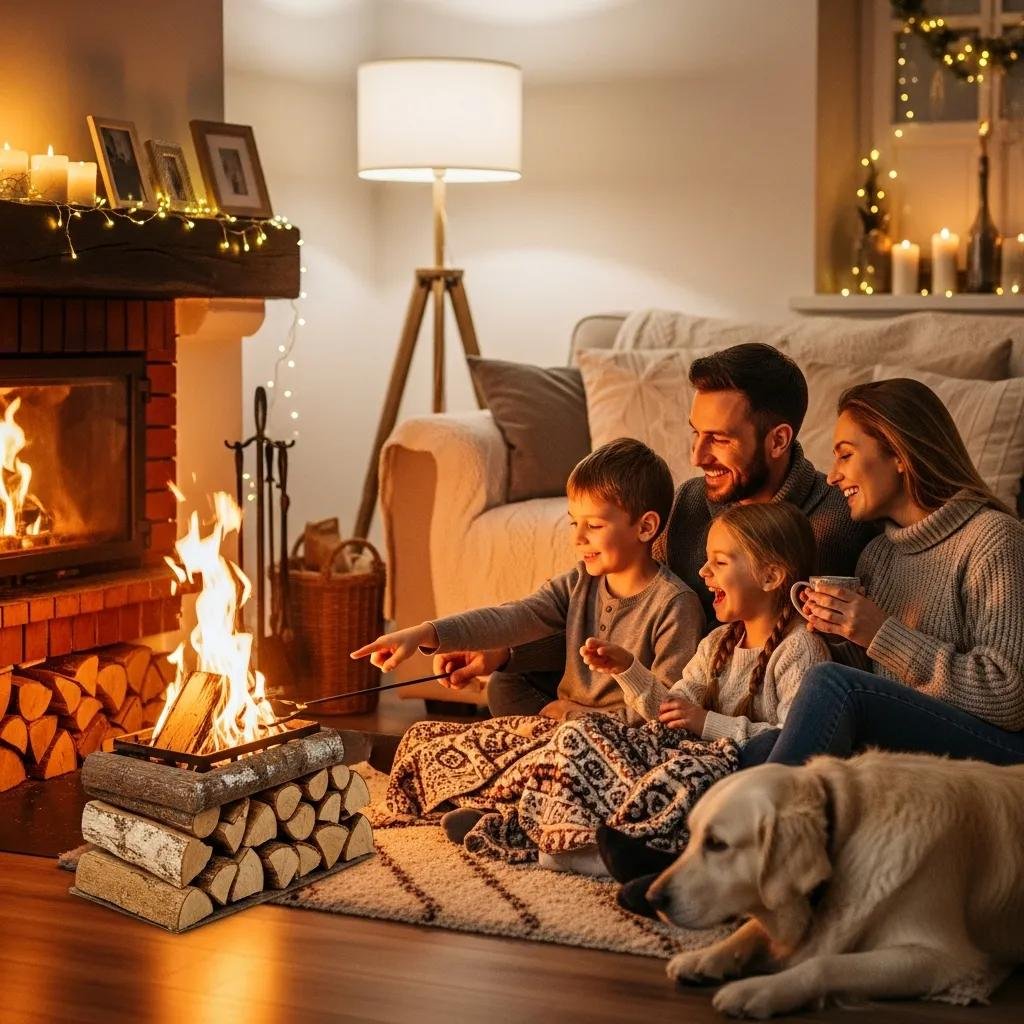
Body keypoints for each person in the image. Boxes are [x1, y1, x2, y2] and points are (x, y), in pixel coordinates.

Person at [436, 343, 875, 716]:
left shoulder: (828, 525)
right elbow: (635, 614)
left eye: (719, 439)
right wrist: (509, 653)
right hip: (645, 679)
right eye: (695, 433)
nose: (698, 456)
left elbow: (803, 673)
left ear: (777, 441)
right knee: (506, 683)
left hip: (708, 703)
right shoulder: (688, 503)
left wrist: (594, 715)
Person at [465, 502, 831, 878]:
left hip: (731, 774)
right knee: (581, 733)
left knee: (675, 774)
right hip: (685, 754)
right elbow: (670, 710)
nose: (703, 572)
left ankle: (613, 853)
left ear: (771, 576)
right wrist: (629, 670)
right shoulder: (718, 642)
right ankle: (552, 828)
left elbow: (792, 741)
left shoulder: (799, 648)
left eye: (719, 563)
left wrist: (706, 723)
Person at [746, 377, 1024, 768]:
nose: (832, 476)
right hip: (913, 732)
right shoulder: (877, 555)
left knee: (829, 683)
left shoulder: (992, 538)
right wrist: (839, 636)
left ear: (898, 454)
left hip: (1000, 746)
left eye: (845, 455)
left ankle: (768, 824)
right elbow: (880, 685)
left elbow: (1008, 696)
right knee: (757, 748)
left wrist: (881, 632)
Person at [351, 437, 705, 722]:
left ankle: (543, 748)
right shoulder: (581, 582)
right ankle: (544, 744)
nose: (578, 538)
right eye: (573, 523)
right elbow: (515, 616)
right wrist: (425, 633)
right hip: (569, 719)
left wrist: (579, 718)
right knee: (504, 684)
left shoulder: (675, 605)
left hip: (624, 732)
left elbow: (668, 710)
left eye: (594, 526)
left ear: (645, 527)